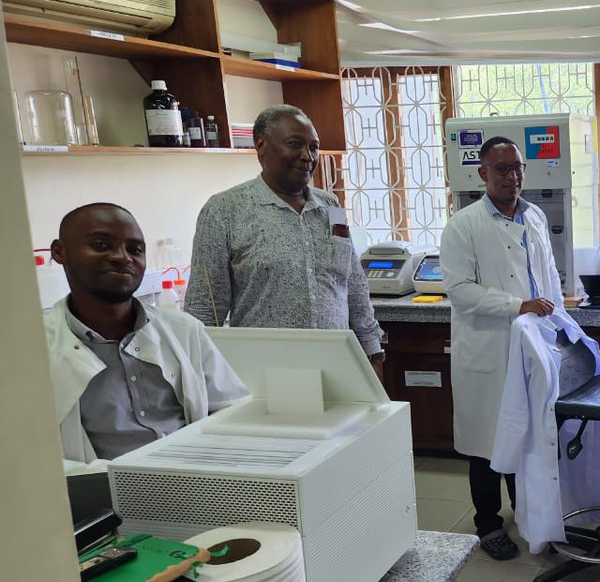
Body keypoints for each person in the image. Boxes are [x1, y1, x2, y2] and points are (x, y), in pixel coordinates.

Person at [184, 104, 384, 375]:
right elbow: (204, 310)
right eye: (295, 144)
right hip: (266, 373)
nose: (307, 156)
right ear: (261, 145)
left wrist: (373, 350)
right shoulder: (224, 211)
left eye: (313, 147)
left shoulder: (331, 206)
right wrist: (204, 378)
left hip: (339, 367)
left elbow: (352, 284)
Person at [44, 203, 246, 471]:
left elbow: (233, 410)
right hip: (99, 500)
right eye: (101, 245)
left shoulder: (184, 330)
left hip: (197, 483)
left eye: (134, 249)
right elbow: (26, 452)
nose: (122, 257)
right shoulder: (33, 349)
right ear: (60, 252)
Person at [440, 136, 563, 560]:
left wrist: (559, 323)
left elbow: (548, 278)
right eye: (502, 169)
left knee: (528, 436)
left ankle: (530, 516)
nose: (512, 176)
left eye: (517, 167)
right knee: (487, 443)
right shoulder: (464, 225)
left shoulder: (536, 217)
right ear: (482, 174)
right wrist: (518, 306)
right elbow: (458, 290)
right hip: (489, 350)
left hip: (533, 346)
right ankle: (489, 524)